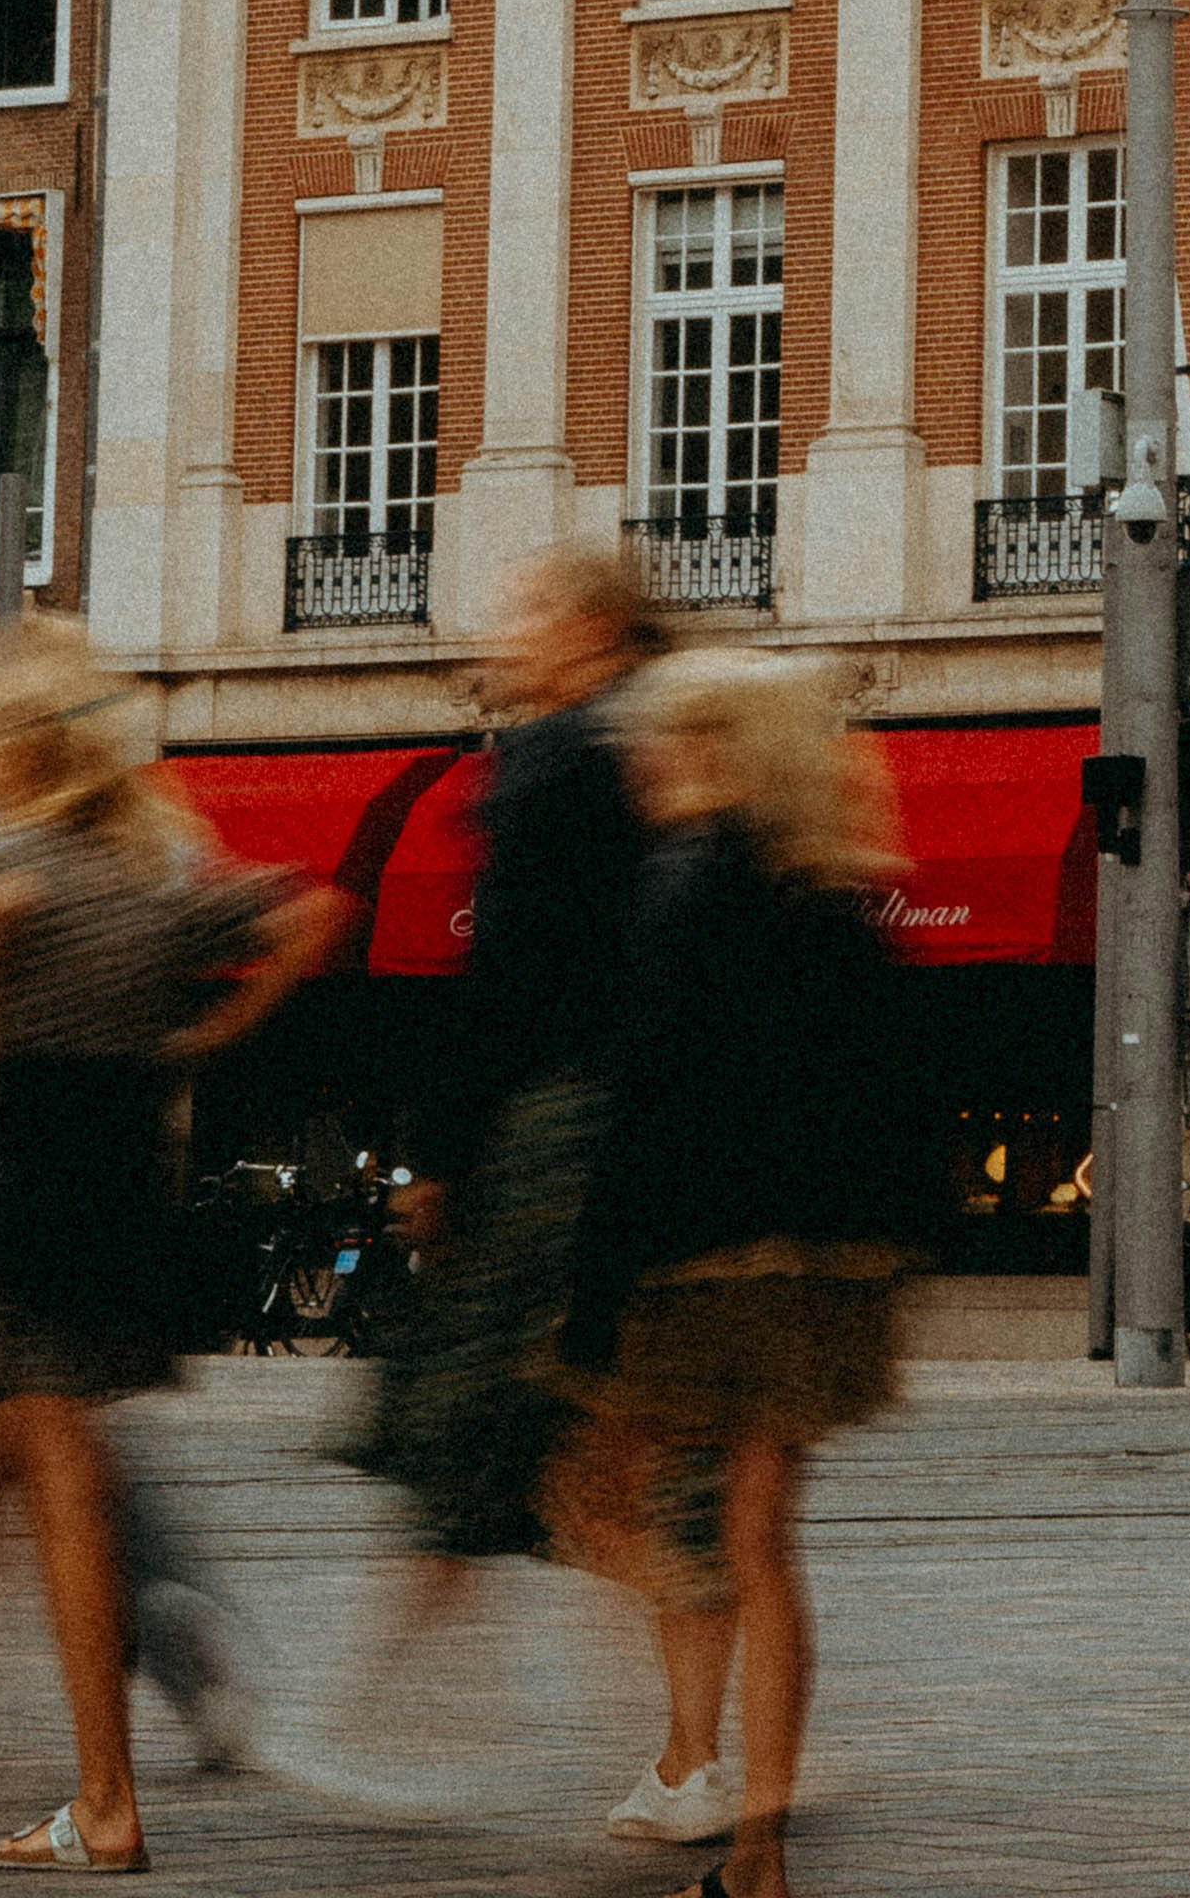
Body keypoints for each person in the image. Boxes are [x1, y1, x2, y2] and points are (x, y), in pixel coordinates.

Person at [0, 620, 345, 1875]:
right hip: (124, 1194)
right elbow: (316, 911)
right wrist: (207, 1036)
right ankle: (48, 1744)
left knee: (52, 1485)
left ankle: (100, 1799)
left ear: (23, 744)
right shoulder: (162, 873)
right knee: (19, 1463)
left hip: (17, 1195)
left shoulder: (3, 873)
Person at [318, 536, 718, 1842]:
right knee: (604, 1456)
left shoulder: (550, 763)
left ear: (591, 628)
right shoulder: (661, 747)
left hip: (544, 1149)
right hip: (639, 1137)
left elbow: (506, 987)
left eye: (527, 607)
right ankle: (687, 1748)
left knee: (484, 1437)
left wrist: (437, 1152)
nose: (502, 631)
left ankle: (382, 1723)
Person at [558, 647, 928, 1898]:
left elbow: (642, 1110)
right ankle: (756, 1840)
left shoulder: (683, 882)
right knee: (765, 1546)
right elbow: (894, 1104)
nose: (643, 763)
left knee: (617, 1505)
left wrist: (593, 1308)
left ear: (708, 746)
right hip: (824, 1276)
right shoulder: (833, 889)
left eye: (660, 741)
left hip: (696, 1271)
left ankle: (683, 1751)